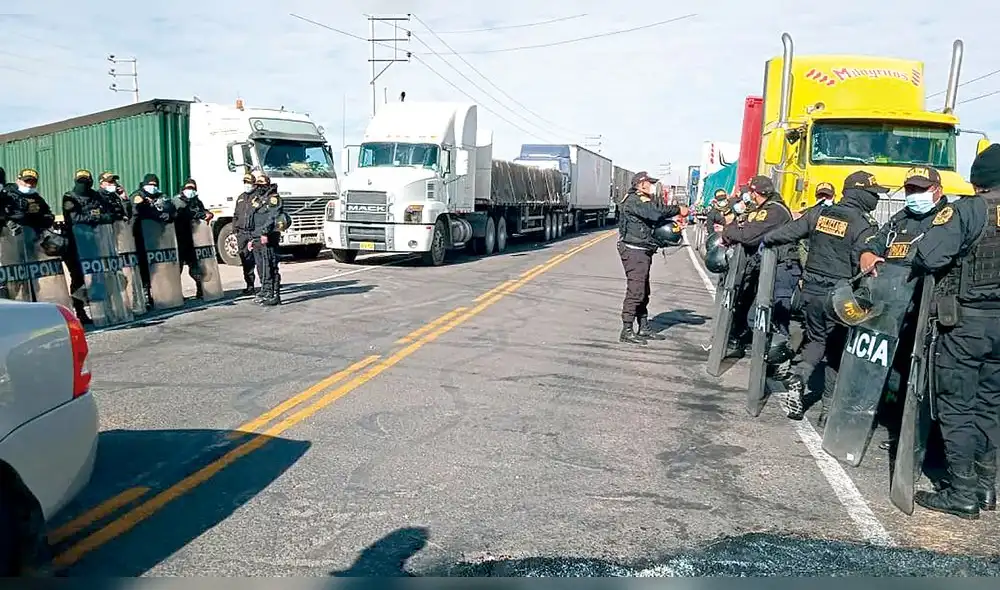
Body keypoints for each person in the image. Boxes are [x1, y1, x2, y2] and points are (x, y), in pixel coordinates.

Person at [871, 145, 1000, 519]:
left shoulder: (969, 210)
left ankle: (962, 492)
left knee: (958, 406)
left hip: (966, 324)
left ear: (977, 180)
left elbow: (930, 255)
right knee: (991, 404)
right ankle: (987, 486)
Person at [762, 171, 883, 420]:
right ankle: (828, 409)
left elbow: (789, 232)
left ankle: (799, 377)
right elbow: (863, 260)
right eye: (873, 193)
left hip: (810, 291)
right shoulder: (864, 224)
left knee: (817, 340)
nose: (876, 198)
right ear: (861, 194)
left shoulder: (819, 213)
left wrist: (767, 239)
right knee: (837, 349)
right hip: (840, 297)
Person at [616, 170, 688, 344]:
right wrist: (678, 209)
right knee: (636, 291)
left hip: (643, 250)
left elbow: (654, 220)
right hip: (634, 251)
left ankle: (643, 327)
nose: (652, 186)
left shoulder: (642, 200)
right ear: (641, 184)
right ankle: (626, 330)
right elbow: (655, 212)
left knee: (644, 291)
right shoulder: (635, 201)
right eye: (650, 183)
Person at [62, 169, 120, 323]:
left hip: (95, 242)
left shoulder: (96, 196)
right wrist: (95, 217)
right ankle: (80, 310)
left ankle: (102, 309)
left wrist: (96, 217)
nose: (84, 184)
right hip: (75, 244)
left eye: (86, 181)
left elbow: (110, 214)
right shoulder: (69, 197)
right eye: (81, 181)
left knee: (97, 277)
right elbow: (74, 218)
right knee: (78, 278)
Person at [131, 173, 176, 308]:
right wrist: (157, 215)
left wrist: (167, 214)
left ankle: (163, 293)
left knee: (159, 267)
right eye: (150, 184)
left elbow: (171, 208)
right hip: (141, 238)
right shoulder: (138, 196)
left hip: (159, 240)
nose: (153, 187)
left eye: (155, 185)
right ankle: (146, 295)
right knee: (144, 267)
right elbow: (138, 211)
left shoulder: (161, 196)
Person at [248, 171, 290, 306]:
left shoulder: (274, 199)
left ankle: (274, 294)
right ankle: (266, 290)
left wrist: (265, 233)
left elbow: (273, 217)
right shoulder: (258, 199)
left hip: (268, 237)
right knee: (262, 267)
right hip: (256, 237)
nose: (259, 187)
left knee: (270, 265)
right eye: (257, 185)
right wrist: (251, 238)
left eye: (261, 185)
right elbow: (252, 219)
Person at [172, 179, 214, 299]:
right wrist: (201, 215)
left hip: (194, 240)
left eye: (193, 188)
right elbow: (185, 214)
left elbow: (201, 211)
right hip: (179, 239)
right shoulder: (176, 201)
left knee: (196, 267)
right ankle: (176, 294)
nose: (190, 191)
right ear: (183, 189)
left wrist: (208, 213)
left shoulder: (196, 201)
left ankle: (201, 290)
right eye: (188, 188)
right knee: (177, 269)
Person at [233, 171, 258, 295]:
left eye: (249, 182)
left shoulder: (258, 197)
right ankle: (250, 285)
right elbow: (236, 215)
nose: (247, 185)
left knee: (259, 259)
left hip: (254, 232)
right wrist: (235, 229)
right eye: (245, 182)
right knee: (245, 260)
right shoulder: (241, 197)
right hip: (242, 233)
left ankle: (267, 286)